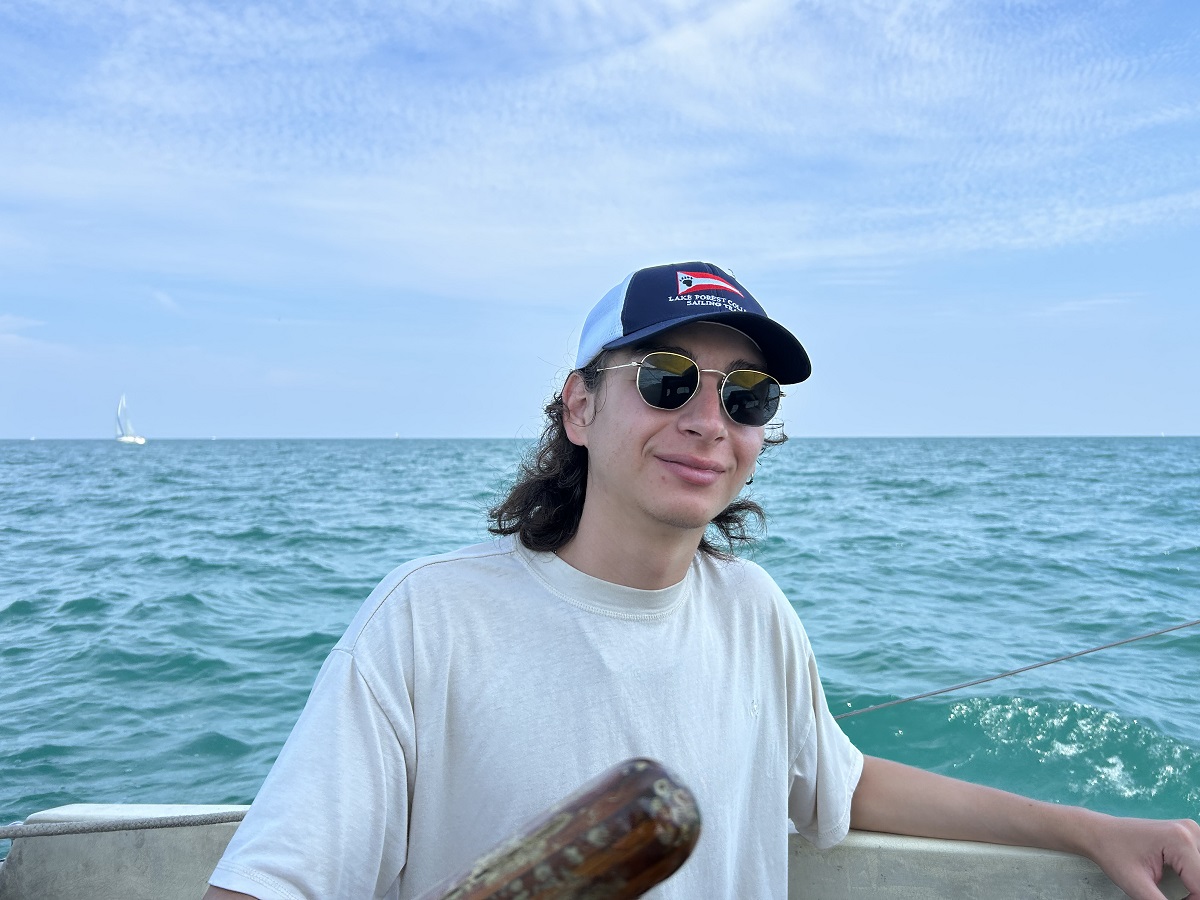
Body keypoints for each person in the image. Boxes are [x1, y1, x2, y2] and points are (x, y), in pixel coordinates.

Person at [205, 262, 1200, 900]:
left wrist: (1090, 829)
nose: (707, 421)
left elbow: (842, 782)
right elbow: (273, 880)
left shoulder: (754, 613)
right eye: (666, 378)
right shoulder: (430, 618)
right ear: (579, 408)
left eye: (747, 397)